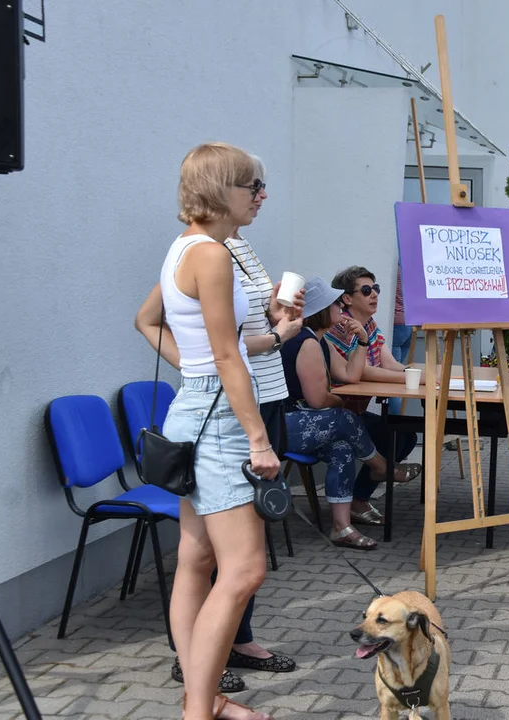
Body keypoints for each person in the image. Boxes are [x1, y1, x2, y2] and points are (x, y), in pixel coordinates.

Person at [136, 154, 301, 695]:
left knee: (197, 558)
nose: (262, 195)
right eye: (253, 185)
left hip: (195, 411)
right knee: (245, 569)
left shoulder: (188, 246)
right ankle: (201, 706)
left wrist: (196, 366)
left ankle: (200, 698)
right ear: (219, 189)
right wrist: (259, 440)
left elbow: (158, 324)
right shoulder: (211, 254)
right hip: (221, 421)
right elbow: (228, 357)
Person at [280, 277, 418, 549]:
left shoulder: (319, 340)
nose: (340, 310)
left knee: (342, 447)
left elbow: (349, 374)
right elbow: (319, 400)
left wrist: (363, 342)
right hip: (284, 424)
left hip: (304, 421)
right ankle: (381, 467)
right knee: (346, 418)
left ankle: (341, 527)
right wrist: (340, 402)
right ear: (322, 310)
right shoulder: (306, 342)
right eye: (335, 304)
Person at [324, 265, 421, 491]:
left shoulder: (369, 324)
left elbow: (389, 364)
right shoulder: (342, 326)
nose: (375, 294)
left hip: (353, 410)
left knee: (406, 436)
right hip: (336, 411)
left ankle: (360, 500)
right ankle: (359, 500)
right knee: (392, 436)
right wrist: (414, 379)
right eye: (367, 290)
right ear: (347, 298)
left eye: (375, 288)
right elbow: (363, 371)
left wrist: (417, 374)